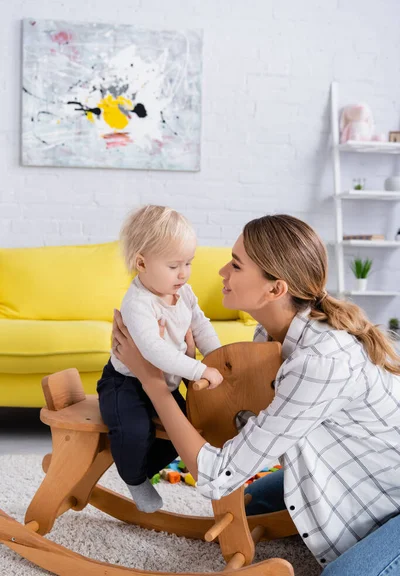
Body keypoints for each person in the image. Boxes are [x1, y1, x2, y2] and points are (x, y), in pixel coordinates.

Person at [111, 213, 400, 572]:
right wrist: (186, 366)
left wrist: (153, 383)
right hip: (350, 468)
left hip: (391, 495)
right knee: (245, 507)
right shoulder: (270, 337)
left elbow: (218, 474)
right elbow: (246, 425)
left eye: (235, 265)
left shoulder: (320, 362)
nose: (221, 272)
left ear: (275, 289)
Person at [97, 205, 222, 513]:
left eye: (188, 263)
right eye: (174, 266)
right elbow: (152, 350)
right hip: (126, 383)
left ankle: (139, 467)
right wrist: (198, 369)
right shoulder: (139, 302)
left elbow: (200, 325)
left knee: (184, 430)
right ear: (142, 263)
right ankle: (135, 478)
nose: (184, 273)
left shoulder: (184, 293)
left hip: (162, 384)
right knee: (135, 431)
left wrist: (217, 357)